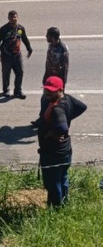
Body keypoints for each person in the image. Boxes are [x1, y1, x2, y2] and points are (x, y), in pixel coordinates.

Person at [35, 75, 87, 208]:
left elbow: (62, 128)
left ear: (60, 90)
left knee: (53, 183)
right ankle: (64, 204)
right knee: (63, 177)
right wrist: (68, 115)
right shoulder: (67, 98)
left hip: (53, 153)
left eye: (51, 91)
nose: (47, 93)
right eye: (46, 90)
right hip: (65, 150)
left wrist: (52, 133)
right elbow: (82, 107)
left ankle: (55, 209)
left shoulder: (57, 109)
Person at [0, 10, 33, 99]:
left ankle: (18, 91)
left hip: (17, 55)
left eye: (15, 17)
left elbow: (25, 39)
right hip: (6, 56)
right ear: (8, 18)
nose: (13, 19)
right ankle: (6, 90)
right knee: (6, 73)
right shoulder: (2, 29)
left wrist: (29, 49)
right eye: (11, 17)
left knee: (20, 72)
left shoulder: (20, 28)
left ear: (17, 18)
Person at [38, 27, 70, 123]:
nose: (45, 37)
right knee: (44, 99)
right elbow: (48, 61)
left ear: (52, 37)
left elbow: (65, 67)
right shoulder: (51, 45)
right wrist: (45, 76)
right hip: (49, 79)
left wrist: (63, 84)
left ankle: (53, 120)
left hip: (57, 83)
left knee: (55, 102)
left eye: (47, 35)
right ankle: (42, 118)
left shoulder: (63, 48)